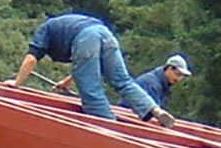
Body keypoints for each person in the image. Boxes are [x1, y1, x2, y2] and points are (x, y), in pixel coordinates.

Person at [9, 13, 175, 127]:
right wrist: (67, 82)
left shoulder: (43, 32)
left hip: (86, 38)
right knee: (123, 81)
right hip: (105, 33)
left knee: (91, 90)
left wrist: (16, 83)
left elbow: (31, 59)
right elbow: (83, 66)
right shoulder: (63, 25)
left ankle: (110, 127)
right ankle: (154, 109)